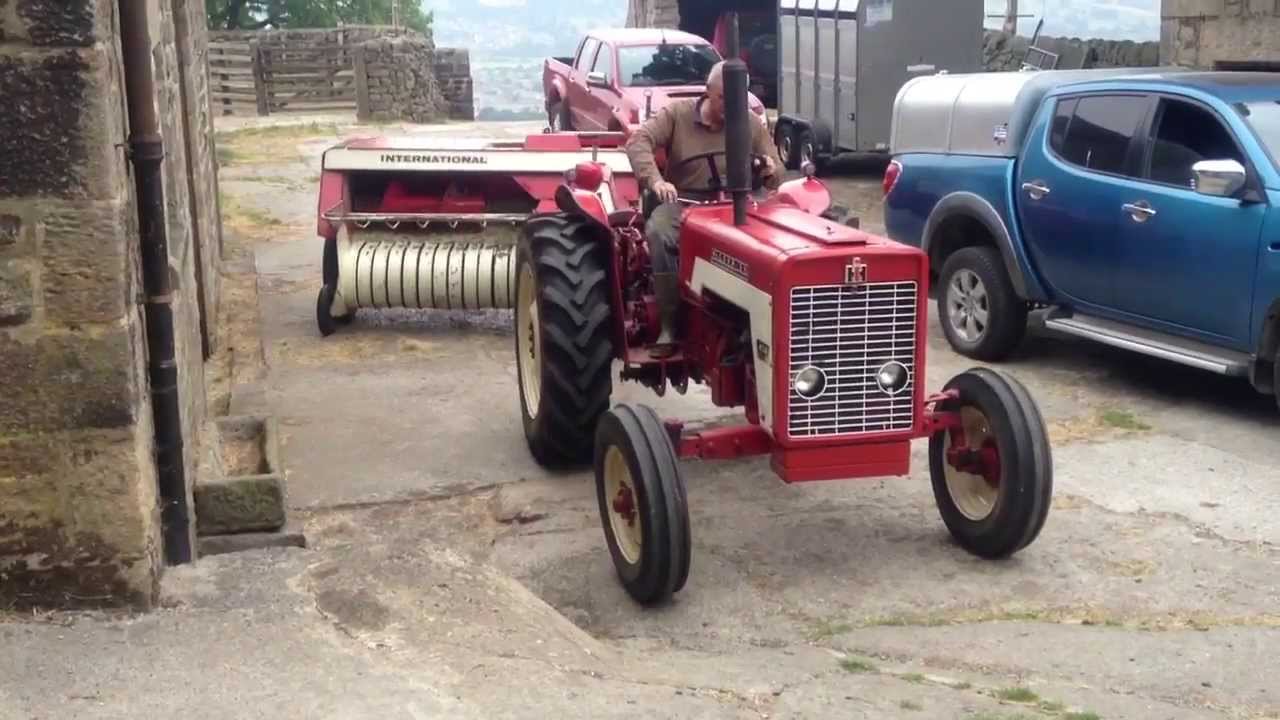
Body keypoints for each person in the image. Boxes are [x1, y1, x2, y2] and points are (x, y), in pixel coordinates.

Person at [625, 60, 784, 356]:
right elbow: (638, 142)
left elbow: (776, 172)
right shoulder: (677, 114)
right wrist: (657, 181)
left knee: (771, 245)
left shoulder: (749, 123)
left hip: (736, 202)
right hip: (685, 202)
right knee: (659, 232)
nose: (729, 106)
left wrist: (770, 170)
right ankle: (670, 324)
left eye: (736, 99)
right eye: (723, 98)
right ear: (708, 91)